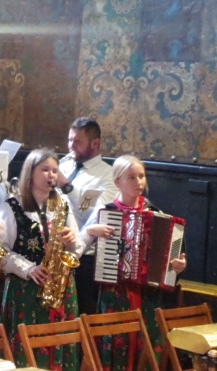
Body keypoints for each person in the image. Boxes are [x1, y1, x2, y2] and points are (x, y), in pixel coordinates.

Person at [80, 155, 186, 367]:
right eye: (131, 177)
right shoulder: (107, 212)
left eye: (141, 176)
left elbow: (173, 259)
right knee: (117, 345)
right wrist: (91, 231)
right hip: (115, 293)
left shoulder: (156, 214)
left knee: (146, 345)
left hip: (148, 295)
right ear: (117, 181)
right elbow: (79, 245)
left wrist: (178, 266)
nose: (139, 182)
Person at [0, 148, 84, 369]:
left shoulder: (62, 204)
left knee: (61, 344)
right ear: (30, 173)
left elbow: (77, 249)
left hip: (60, 288)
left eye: (55, 170)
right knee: (27, 350)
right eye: (45, 170)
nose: (51, 175)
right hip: (26, 290)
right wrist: (28, 269)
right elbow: (0, 251)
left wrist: (72, 240)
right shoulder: (12, 206)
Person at [56, 117, 118, 315]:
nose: (71, 146)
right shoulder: (64, 164)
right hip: (56, 249)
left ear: (95, 144)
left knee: (81, 313)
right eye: (69, 140)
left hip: (86, 257)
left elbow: (96, 213)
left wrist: (66, 186)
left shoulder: (109, 175)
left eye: (77, 142)